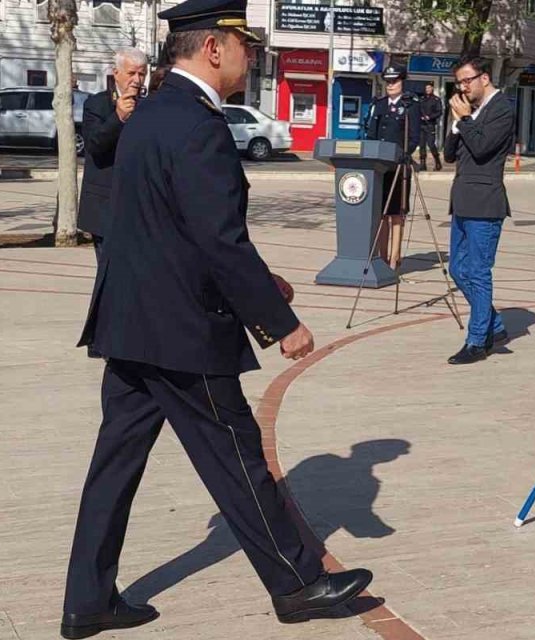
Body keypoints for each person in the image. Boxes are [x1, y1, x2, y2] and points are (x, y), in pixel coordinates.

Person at [60, 0, 372, 637]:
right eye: (243, 46)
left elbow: (160, 223)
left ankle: (87, 599)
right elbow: (218, 239)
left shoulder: (148, 114)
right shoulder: (198, 124)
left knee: (113, 466)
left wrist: (261, 282)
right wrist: (280, 319)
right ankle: (298, 582)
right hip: (182, 329)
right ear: (213, 49)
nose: (249, 56)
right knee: (237, 456)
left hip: (131, 319)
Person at [443, 56, 516, 365]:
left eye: (467, 80)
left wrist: (466, 120)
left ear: (484, 78)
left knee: (478, 271)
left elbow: (484, 147)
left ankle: (477, 341)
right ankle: (494, 324)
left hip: (485, 202)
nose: (463, 87)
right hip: (462, 200)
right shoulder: (469, 113)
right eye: (459, 82)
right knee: (458, 269)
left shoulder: (502, 108)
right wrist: (456, 121)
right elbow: (449, 155)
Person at [78, 47, 148, 262]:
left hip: (138, 207)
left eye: (142, 73)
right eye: (131, 73)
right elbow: (94, 145)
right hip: (105, 207)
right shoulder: (96, 104)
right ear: (115, 73)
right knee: (109, 274)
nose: (137, 79)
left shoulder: (149, 107)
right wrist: (118, 117)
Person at [364, 64, 421, 269]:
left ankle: (395, 259)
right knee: (381, 214)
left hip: (398, 167)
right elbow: (371, 134)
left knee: (396, 213)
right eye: (387, 82)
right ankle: (382, 256)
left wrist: (403, 155)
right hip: (379, 168)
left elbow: (414, 137)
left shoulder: (411, 105)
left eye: (394, 81)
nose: (390, 85)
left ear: (402, 82)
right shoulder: (379, 105)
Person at [417, 82, 443, 171]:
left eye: (429, 88)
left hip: (430, 125)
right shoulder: (421, 99)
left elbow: (439, 112)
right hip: (421, 125)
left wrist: (430, 117)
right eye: (426, 88)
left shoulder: (436, 99)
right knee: (422, 145)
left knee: (431, 144)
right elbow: (418, 110)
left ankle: (438, 162)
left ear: (432, 88)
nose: (427, 89)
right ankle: (422, 164)